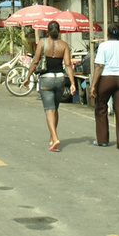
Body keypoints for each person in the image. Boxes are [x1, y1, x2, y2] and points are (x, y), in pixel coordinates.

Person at [22, 20, 76, 152]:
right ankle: (52, 137)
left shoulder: (42, 42)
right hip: (60, 80)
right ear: (59, 31)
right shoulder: (64, 45)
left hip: (46, 80)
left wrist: (27, 77)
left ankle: (55, 137)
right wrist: (73, 83)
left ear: (47, 31)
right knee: (55, 109)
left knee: (49, 110)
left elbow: (35, 61)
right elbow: (68, 65)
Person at [90, 22, 119, 150]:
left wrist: (93, 85)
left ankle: (102, 140)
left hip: (107, 78)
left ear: (108, 34)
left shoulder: (103, 46)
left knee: (101, 106)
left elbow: (99, 66)